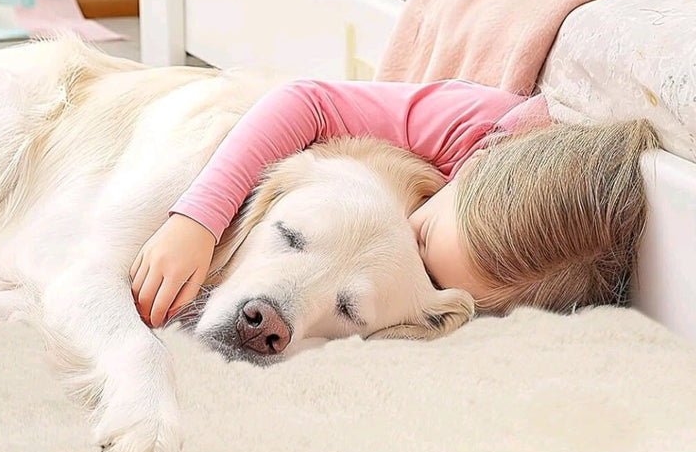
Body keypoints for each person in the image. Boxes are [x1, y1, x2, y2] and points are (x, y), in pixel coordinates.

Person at [129, 78, 659, 329]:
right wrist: (197, 219)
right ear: (470, 168)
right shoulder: (477, 123)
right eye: (422, 235)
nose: (403, 245)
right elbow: (308, 101)